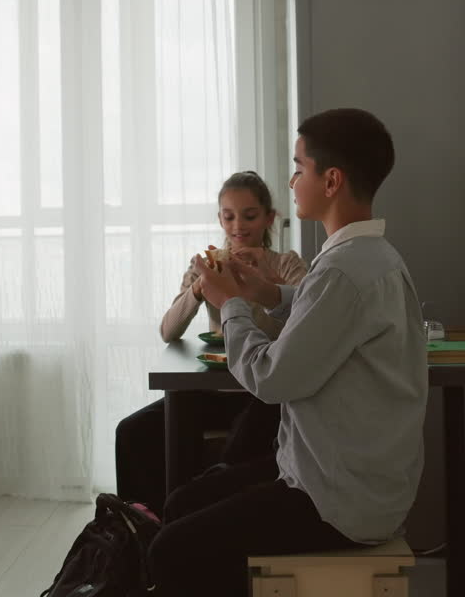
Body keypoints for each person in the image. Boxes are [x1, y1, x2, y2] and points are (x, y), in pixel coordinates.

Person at [147, 108, 429, 597]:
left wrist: (229, 302)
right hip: (338, 474)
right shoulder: (369, 258)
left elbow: (270, 379)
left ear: (331, 180)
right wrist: (266, 293)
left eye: (299, 167)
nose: (292, 179)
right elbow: (323, 309)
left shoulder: (343, 270)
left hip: (338, 499)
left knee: (169, 550)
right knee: (184, 503)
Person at [114, 171, 307, 513]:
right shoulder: (207, 264)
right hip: (213, 389)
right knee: (131, 432)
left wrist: (269, 284)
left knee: (232, 445)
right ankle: (144, 528)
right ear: (220, 218)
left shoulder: (287, 265)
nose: (238, 226)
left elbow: (304, 328)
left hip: (262, 393)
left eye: (249, 216)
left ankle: (185, 518)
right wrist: (198, 289)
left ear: (268, 218)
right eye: (229, 216)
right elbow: (168, 331)